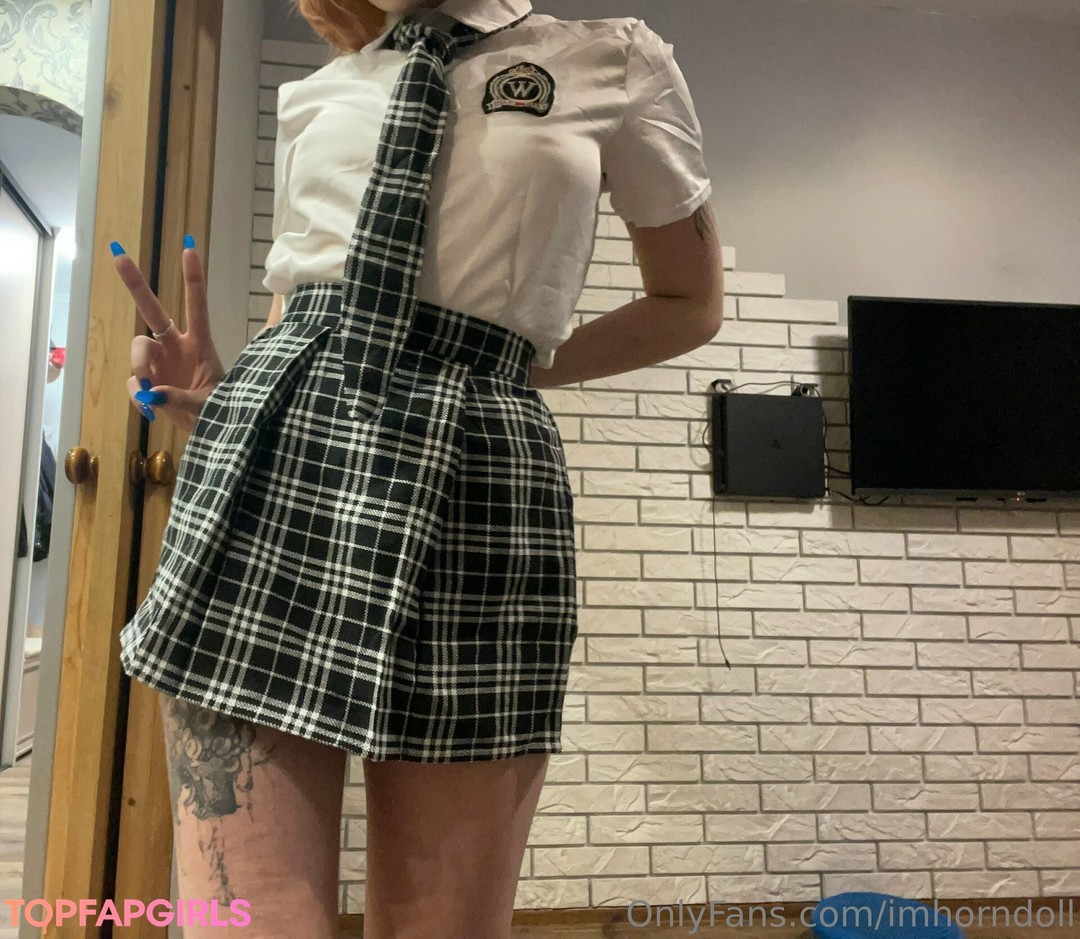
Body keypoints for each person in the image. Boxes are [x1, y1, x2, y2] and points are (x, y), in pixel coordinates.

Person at [111, 0, 724, 936]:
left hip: (480, 480)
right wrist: (226, 392)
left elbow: (689, 300)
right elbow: (303, 301)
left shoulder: (615, 61)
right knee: (244, 919)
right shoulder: (321, 91)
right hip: (276, 460)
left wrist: (496, 368)